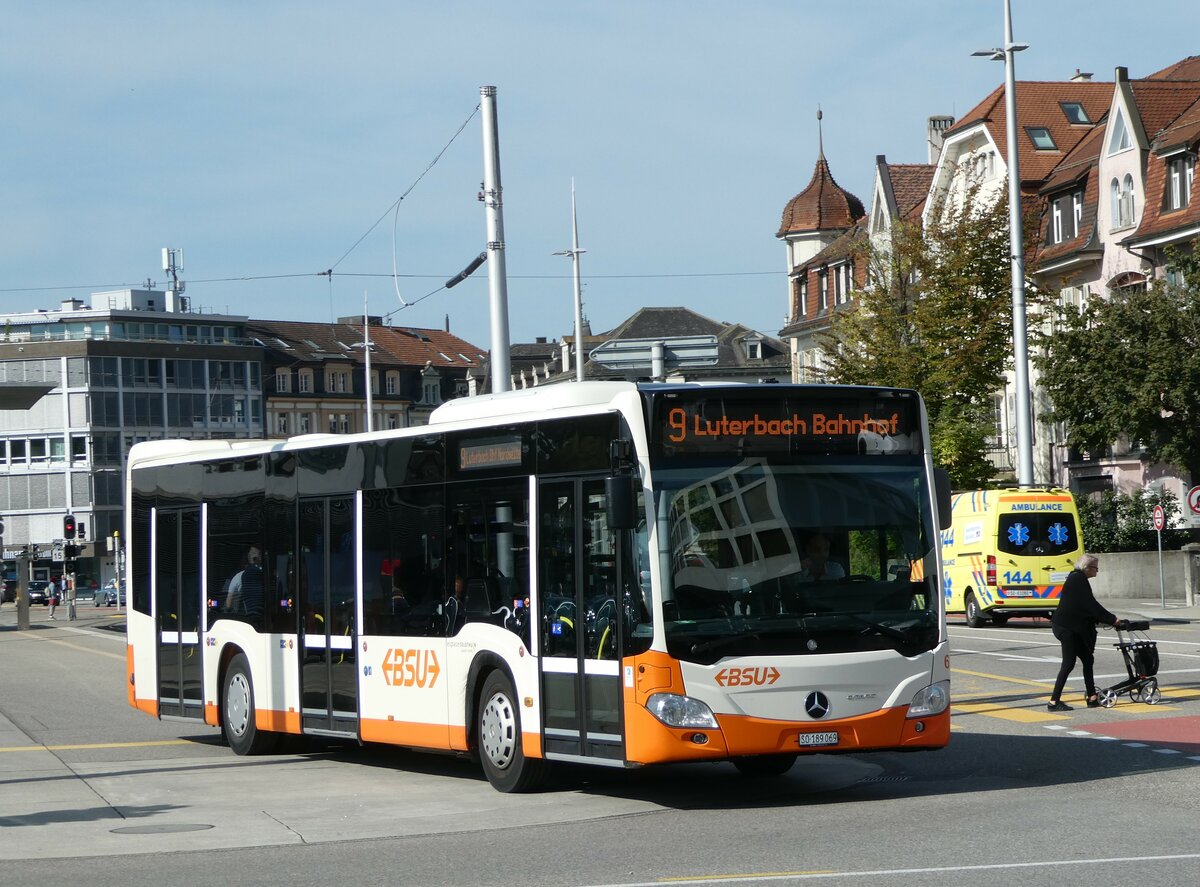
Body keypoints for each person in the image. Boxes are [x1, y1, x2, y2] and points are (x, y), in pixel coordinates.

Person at [1048, 553, 1123, 711]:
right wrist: (1112, 619)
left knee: (1088, 659)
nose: (1097, 571)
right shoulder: (1077, 579)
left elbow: (1086, 606)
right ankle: (1053, 702)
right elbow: (1090, 605)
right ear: (1087, 568)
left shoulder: (1077, 578)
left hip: (1072, 626)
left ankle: (1092, 697)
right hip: (1066, 627)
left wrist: (1108, 618)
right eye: (1096, 568)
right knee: (1068, 664)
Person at [224, 546, 265, 618]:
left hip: (246, 620)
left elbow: (228, 604)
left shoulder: (238, 576)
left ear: (249, 558)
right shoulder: (269, 575)